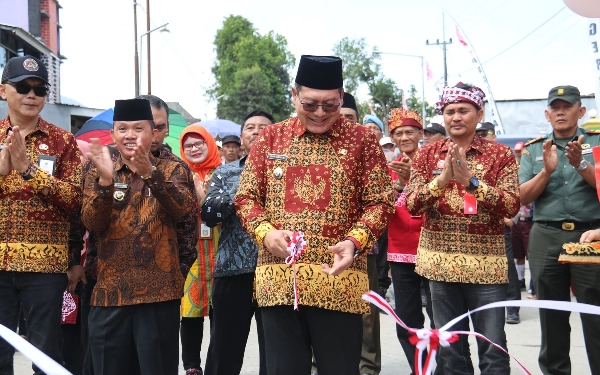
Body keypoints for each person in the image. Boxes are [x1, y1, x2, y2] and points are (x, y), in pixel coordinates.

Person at [234, 55, 395, 375]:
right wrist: (265, 233)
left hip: (340, 282)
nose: (320, 113)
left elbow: (380, 202)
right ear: (294, 95)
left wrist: (355, 240)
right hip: (280, 282)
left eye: (330, 105)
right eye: (310, 104)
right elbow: (246, 198)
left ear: (341, 96)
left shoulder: (362, 140)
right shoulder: (269, 138)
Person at [78, 95, 198, 375]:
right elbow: (92, 223)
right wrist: (105, 183)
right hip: (109, 295)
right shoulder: (96, 166)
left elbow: (183, 211)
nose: (129, 135)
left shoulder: (174, 168)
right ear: (112, 133)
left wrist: (150, 174)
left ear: (153, 132)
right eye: (122, 129)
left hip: (157, 297)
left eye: (138, 128)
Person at [405, 82, 519, 374]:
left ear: (479, 115)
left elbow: (511, 206)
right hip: (440, 266)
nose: (455, 117)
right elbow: (412, 205)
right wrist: (441, 181)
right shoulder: (426, 155)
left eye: (463, 111)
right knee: (450, 350)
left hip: (487, 269)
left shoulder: (501, 156)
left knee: (493, 348)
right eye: (449, 111)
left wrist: (472, 183)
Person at [0, 55, 83, 375]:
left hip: (45, 267)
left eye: (40, 89)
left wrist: (28, 171)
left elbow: (75, 199)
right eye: (23, 87)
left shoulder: (63, 141)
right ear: (3, 91)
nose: (32, 95)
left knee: (45, 353)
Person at [519, 85, 600, 375]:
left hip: (590, 234)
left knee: (595, 311)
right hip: (546, 234)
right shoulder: (533, 149)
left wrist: (581, 165)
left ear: (580, 111)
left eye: (568, 106)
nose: (561, 112)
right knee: (551, 312)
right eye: (555, 107)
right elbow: (523, 197)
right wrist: (547, 171)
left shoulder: (597, 144)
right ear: (547, 113)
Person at [202, 110, 274, 375]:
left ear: (276, 133)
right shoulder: (225, 172)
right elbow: (208, 215)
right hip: (232, 270)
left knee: (278, 352)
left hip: (276, 271)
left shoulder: (288, 172)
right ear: (242, 136)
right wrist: (242, 194)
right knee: (224, 351)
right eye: (250, 127)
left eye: (263, 127)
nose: (256, 132)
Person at [386, 108, 440, 375]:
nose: (405, 137)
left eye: (410, 132)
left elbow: (441, 200)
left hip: (433, 247)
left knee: (439, 314)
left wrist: (413, 180)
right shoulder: (387, 168)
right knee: (406, 318)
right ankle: (420, 368)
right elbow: (381, 207)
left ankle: (444, 367)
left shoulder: (435, 165)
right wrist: (399, 184)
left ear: (421, 134)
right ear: (392, 137)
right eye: (399, 133)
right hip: (399, 250)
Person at [179, 124, 223, 375]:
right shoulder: (180, 174)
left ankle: (216, 366)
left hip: (221, 252)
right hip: (191, 254)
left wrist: (204, 197)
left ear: (209, 144)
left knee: (220, 313)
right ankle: (192, 366)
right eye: (188, 146)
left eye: (199, 143)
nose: (194, 149)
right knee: (190, 311)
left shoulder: (223, 173)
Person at [477, 122, 522, 324]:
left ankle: (512, 307)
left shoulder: (503, 156)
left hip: (500, 222)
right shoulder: (470, 158)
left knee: (507, 266)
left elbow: (518, 191)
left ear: (494, 136)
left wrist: (512, 218)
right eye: (478, 135)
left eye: (485, 135)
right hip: (475, 223)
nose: (482, 138)